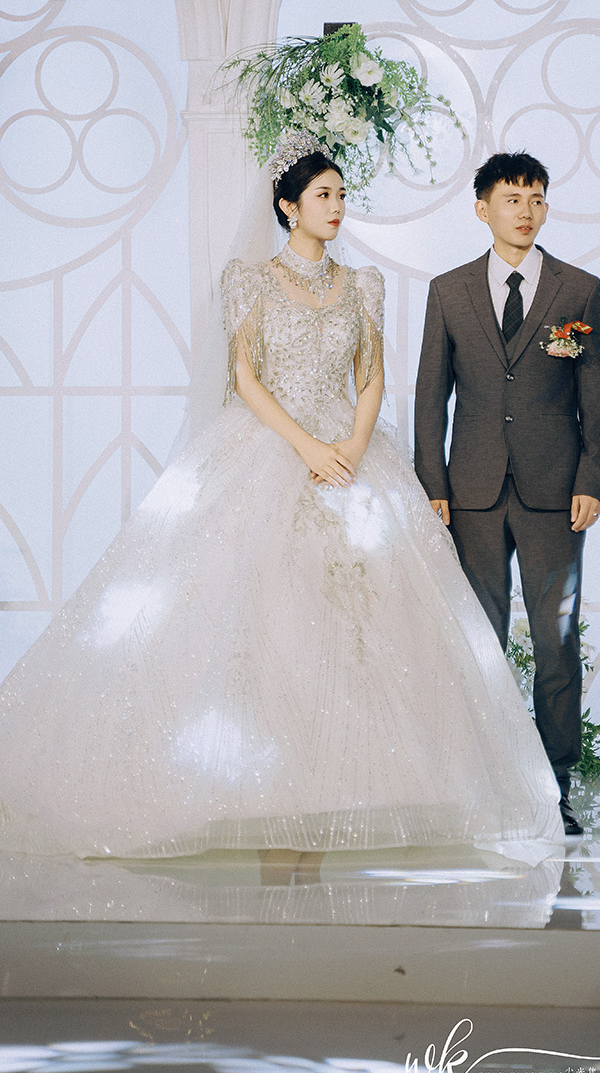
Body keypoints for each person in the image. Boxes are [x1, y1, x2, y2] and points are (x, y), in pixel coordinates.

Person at [0, 133, 563, 863]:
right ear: (288, 206)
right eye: (323, 195)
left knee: (366, 621)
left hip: (352, 455)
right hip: (270, 447)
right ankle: (262, 784)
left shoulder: (362, 284)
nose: (336, 207)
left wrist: (352, 446)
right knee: (267, 614)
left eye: (341, 195)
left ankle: (349, 787)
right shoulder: (250, 280)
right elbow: (244, 377)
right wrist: (306, 447)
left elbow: (370, 376)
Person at [414, 152, 600, 837]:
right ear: (483, 209)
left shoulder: (578, 290)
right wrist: (433, 486)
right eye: (511, 199)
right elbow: (430, 398)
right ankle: (485, 784)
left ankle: (556, 789)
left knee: (556, 642)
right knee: (480, 641)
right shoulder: (448, 291)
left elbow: (596, 399)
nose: (525, 212)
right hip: (469, 491)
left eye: (536, 200)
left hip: (556, 495)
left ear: (546, 208)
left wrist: (592, 480)